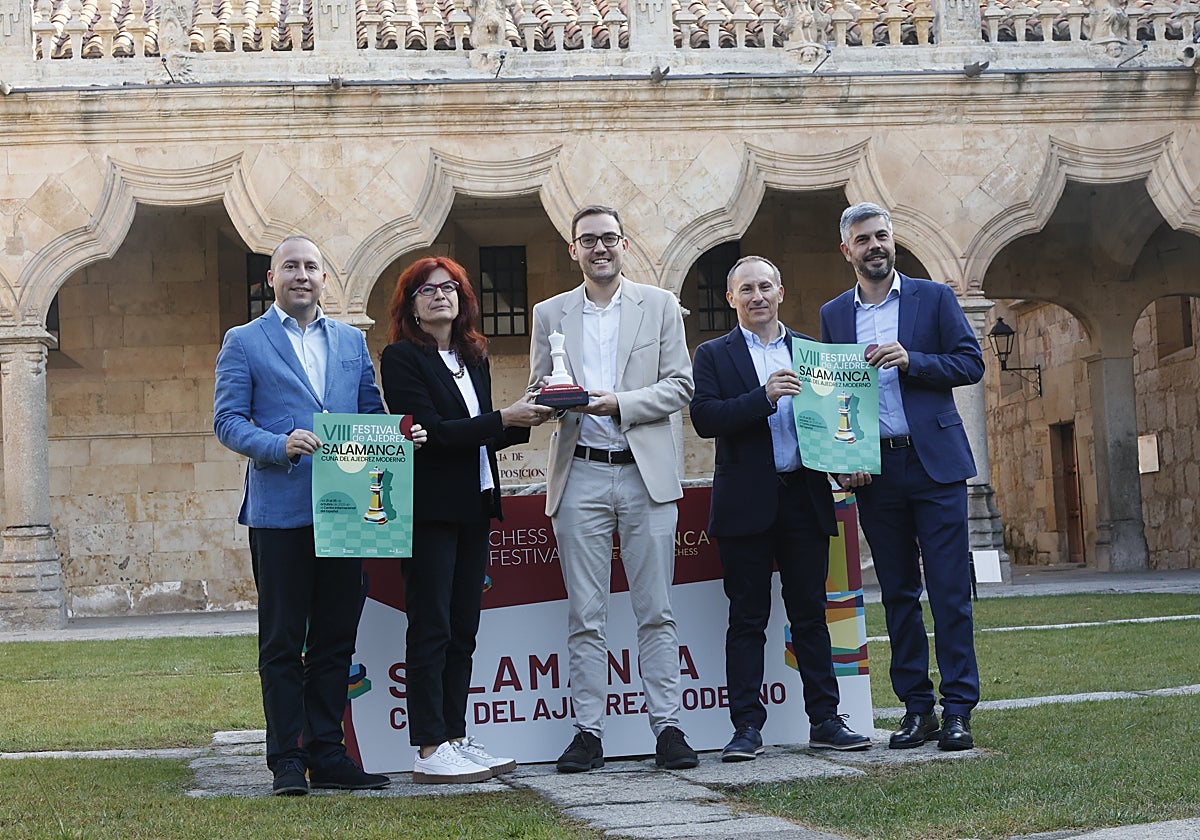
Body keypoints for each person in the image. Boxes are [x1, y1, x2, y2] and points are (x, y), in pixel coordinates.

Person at [214, 235, 425, 796]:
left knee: (335, 638)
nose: (301, 275)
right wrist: (277, 444)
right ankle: (286, 759)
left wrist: (403, 435)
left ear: (325, 279)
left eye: (311, 266)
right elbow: (228, 421)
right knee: (283, 641)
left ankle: (328, 753)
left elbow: (371, 414)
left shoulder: (352, 342)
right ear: (271, 279)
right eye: (291, 266)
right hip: (280, 513)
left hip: (349, 511)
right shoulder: (244, 342)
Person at [528, 205, 698, 773]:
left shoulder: (661, 306)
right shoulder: (549, 313)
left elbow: (680, 387)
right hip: (581, 473)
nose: (599, 248)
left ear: (624, 243)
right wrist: (547, 401)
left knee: (657, 609)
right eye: (587, 240)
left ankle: (668, 727)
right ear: (572, 249)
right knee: (586, 611)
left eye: (608, 238)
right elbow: (538, 387)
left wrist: (619, 404)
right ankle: (587, 731)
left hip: (644, 471)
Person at [690, 256, 871, 762]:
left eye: (765, 286)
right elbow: (705, 418)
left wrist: (849, 463)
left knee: (811, 616)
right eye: (745, 289)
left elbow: (842, 417)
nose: (757, 296)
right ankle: (746, 727)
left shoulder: (813, 354)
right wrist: (762, 397)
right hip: (745, 502)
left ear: (781, 291)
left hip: (805, 497)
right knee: (747, 618)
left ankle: (826, 722)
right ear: (731, 299)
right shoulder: (713, 355)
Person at [380, 257, 552, 783]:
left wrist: (529, 415)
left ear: (463, 298)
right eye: (426, 290)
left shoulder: (473, 357)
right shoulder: (401, 358)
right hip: (431, 510)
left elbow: (477, 433)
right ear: (410, 304)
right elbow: (429, 434)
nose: (440, 296)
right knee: (431, 627)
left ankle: (455, 735)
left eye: (449, 287)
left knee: (463, 629)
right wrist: (503, 418)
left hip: (476, 506)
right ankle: (429, 748)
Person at [820, 203, 984, 751]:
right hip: (876, 470)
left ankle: (958, 708)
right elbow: (833, 395)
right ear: (848, 251)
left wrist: (914, 360)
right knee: (896, 592)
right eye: (863, 239)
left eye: (882, 236)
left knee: (949, 590)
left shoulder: (933, 298)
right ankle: (917, 709)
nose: (876, 246)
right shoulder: (834, 315)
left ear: (895, 241)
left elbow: (970, 363)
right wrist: (845, 459)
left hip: (935, 462)